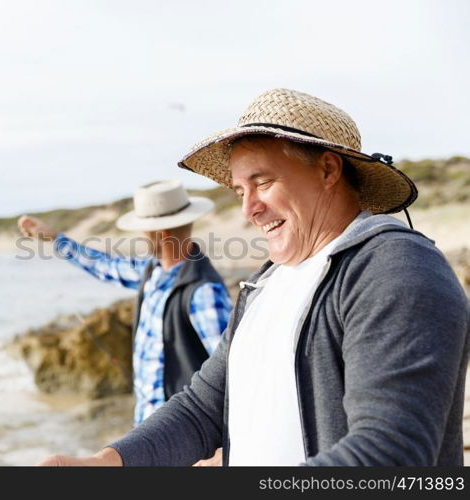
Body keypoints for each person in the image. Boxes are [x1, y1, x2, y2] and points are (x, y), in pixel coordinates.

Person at [37, 88, 470, 466]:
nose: (248, 210)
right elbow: (201, 409)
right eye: (241, 191)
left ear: (327, 170)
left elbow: (392, 452)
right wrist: (107, 462)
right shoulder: (267, 282)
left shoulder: (394, 266)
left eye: (263, 183)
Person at [17, 180, 232, 430]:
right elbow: (104, 266)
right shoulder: (152, 272)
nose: (141, 236)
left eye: (142, 230)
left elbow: (232, 372)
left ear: (159, 234)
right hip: (149, 428)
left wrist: (219, 448)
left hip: (182, 433)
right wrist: (55, 239)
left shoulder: (203, 292)